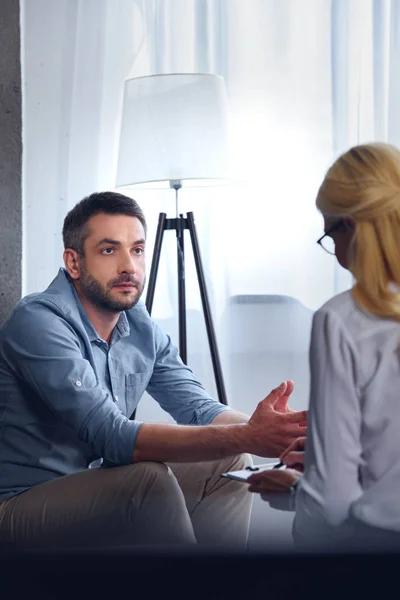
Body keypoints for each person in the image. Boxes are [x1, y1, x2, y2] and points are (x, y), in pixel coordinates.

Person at [0, 191, 307, 550]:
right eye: (109, 250)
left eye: (138, 250)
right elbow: (112, 436)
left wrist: (283, 437)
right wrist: (250, 434)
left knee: (230, 458)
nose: (129, 266)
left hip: (96, 483)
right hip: (19, 504)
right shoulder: (39, 321)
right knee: (147, 480)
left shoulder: (138, 325)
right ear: (74, 262)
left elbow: (199, 409)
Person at [247, 142, 400, 551]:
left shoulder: (343, 320)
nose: (334, 251)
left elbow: (331, 504)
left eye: (329, 234)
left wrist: (297, 491)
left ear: (350, 226)